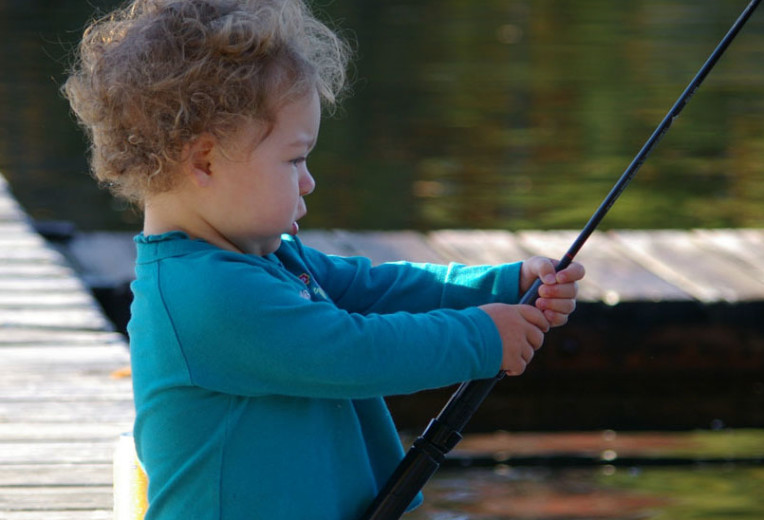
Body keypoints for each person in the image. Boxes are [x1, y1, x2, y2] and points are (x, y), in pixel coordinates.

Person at [63, 0, 585, 518]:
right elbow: (350, 353)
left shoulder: (266, 260)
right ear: (204, 160)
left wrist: (500, 284)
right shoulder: (203, 296)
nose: (309, 181)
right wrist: (481, 337)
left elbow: (375, 290)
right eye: (294, 159)